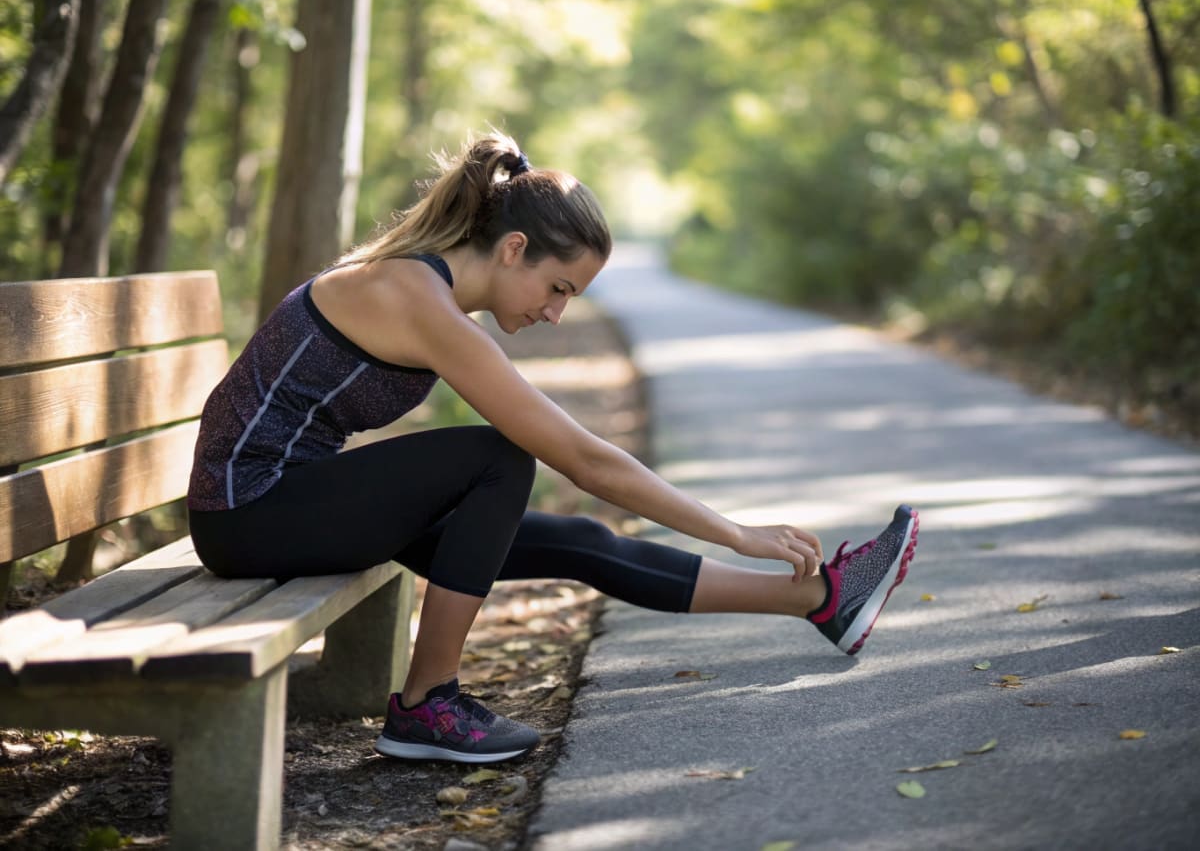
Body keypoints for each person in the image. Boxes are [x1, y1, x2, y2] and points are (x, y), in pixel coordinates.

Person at [187, 131, 919, 765]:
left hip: (284, 502)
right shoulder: (417, 298)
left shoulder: (424, 291)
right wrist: (737, 531)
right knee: (498, 460)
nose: (558, 314)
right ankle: (425, 705)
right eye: (558, 287)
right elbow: (583, 458)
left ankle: (822, 599)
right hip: (248, 511)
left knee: (575, 540)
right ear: (513, 249)